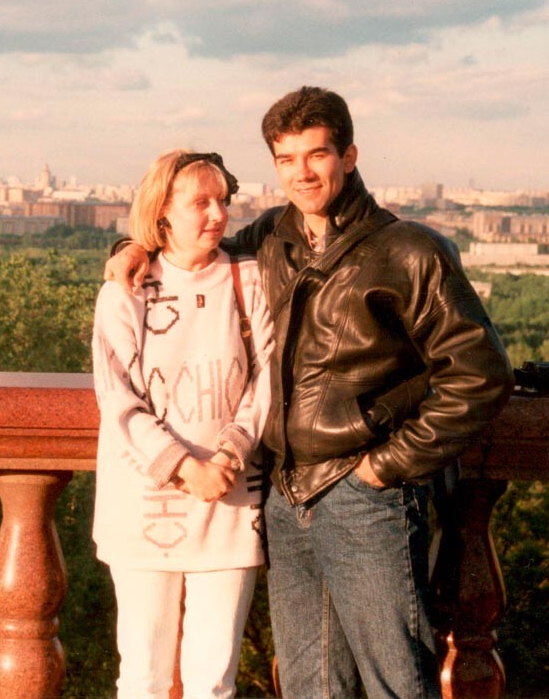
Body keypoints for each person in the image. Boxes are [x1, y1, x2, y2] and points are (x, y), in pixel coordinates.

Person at [104, 87, 513, 698]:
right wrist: (130, 248)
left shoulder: (407, 251)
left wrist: (386, 467)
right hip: (284, 493)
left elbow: (481, 374)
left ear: (349, 156)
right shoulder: (272, 238)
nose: (302, 173)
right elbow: (190, 254)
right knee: (310, 687)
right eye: (285, 159)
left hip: (365, 495)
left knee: (394, 683)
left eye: (316, 155)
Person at [91, 149, 275, 699]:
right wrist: (182, 467)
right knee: (143, 676)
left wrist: (225, 456)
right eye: (201, 202)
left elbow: (267, 375)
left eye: (223, 200)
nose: (218, 214)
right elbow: (117, 397)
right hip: (146, 506)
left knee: (212, 679)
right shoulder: (126, 290)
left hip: (230, 500)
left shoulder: (249, 281)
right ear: (163, 211)